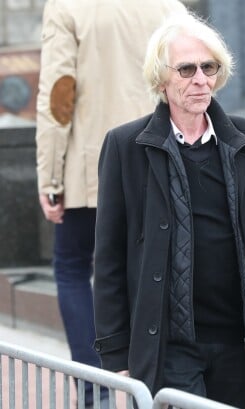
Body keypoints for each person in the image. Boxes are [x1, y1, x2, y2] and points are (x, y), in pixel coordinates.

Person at [92, 12, 245, 409]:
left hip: (244, 343)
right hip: (169, 346)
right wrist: (115, 352)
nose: (200, 79)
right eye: (186, 69)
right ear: (161, 78)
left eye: (209, 67)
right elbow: (109, 258)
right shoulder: (126, 146)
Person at [35, 0, 187, 405]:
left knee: (71, 266)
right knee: (156, 268)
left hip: (90, 165)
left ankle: (95, 390)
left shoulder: (67, 7)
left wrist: (49, 175)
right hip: (159, 156)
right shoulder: (167, 5)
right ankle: (157, 388)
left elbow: (58, 93)